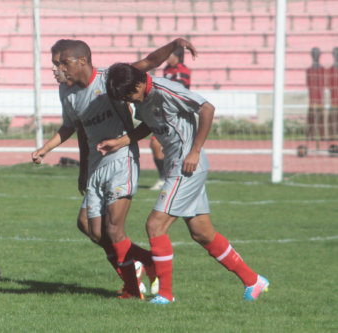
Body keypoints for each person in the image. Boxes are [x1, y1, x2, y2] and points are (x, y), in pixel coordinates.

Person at [32, 38, 197, 299]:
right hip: (97, 163)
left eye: (63, 63)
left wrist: (174, 44)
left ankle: (132, 288)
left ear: (82, 61)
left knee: (112, 230)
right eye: (55, 64)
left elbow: (149, 63)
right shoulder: (66, 91)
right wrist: (52, 152)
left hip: (121, 159)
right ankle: (144, 261)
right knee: (89, 227)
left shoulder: (110, 79)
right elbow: (74, 128)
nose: (58, 69)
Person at [99, 63, 269, 305]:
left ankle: (165, 295)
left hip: (187, 166)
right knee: (202, 232)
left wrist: (195, 150)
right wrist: (122, 141)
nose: (131, 101)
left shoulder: (167, 90)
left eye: (130, 96)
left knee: (155, 225)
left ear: (138, 84)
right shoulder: (143, 97)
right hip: (176, 166)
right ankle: (253, 281)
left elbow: (207, 108)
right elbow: (150, 124)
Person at [149, 47, 193, 191]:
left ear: (177, 56)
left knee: (175, 148)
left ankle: (178, 178)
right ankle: (164, 177)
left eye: (170, 55)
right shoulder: (167, 69)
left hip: (177, 115)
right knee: (155, 144)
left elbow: (178, 92)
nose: (167, 58)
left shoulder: (183, 71)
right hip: (163, 114)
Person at [306, 47, 326, 141]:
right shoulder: (309, 70)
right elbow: (308, 83)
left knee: (321, 119)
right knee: (311, 119)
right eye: (313, 53)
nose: (315, 55)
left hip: (320, 99)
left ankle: (322, 136)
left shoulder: (323, 70)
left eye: (317, 53)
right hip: (311, 99)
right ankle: (310, 136)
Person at [327, 47, 338, 141]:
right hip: (334, 101)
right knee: (333, 122)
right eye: (335, 54)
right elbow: (328, 84)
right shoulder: (330, 70)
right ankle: (332, 139)